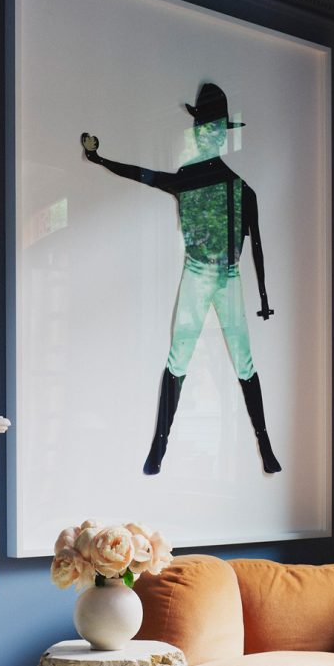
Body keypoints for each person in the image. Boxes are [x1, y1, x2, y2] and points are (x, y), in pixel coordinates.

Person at [80, 81, 281, 475]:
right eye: (203, 127)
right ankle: (158, 450)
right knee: (179, 360)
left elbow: (257, 244)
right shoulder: (191, 179)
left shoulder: (243, 190)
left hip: (229, 276)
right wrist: (101, 161)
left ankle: (265, 446)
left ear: (221, 132)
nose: (208, 134)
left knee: (243, 361)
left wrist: (261, 294)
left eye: (213, 127)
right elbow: (145, 175)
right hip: (197, 272)